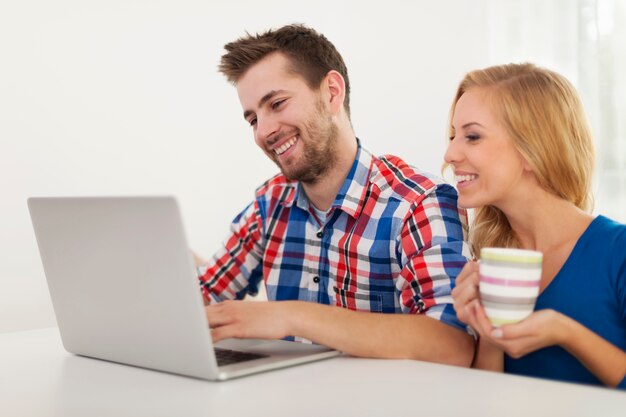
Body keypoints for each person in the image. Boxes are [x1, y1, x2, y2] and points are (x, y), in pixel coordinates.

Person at [196, 24, 474, 365]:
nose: (264, 131)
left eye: (277, 104)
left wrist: (292, 316)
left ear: (331, 93)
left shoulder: (419, 203)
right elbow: (204, 297)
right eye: (253, 119)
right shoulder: (270, 203)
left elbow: (452, 344)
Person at [447, 63, 626, 388]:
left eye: (472, 136)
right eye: (453, 135)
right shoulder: (490, 259)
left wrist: (565, 332)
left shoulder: (618, 252)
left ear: (533, 149)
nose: (450, 153)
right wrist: (489, 335)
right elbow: (487, 401)